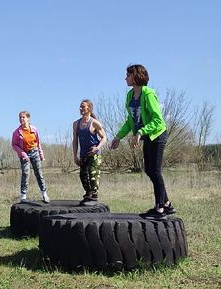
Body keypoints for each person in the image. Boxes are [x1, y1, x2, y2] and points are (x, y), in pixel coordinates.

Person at [110, 64, 176, 220]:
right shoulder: (130, 96)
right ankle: (166, 203)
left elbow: (159, 122)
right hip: (147, 136)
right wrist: (118, 136)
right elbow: (130, 121)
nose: (125, 78)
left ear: (136, 77)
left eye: (128, 75)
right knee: (148, 170)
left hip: (157, 135)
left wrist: (140, 132)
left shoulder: (149, 95)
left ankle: (160, 208)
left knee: (155, 170)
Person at [72, 99, 107, 204]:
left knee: (93, 175)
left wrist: (97, 148)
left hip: (94, 154)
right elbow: (75, 140)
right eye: (80, 106)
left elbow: (104, 138)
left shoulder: (94, 123)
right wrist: (75, 156)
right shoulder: (76, 124)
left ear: (89, 108)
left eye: (83, 106)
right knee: (83, 175)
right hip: (83, 154)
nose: (80, 108)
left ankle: (94, 195)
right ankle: (88, 193)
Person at [11, 111, 50, 203]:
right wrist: (22, 153)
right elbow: (14, 145)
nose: (21, 119)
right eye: (20, 117)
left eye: (23, 117)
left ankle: (44, 193)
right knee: (25, 173)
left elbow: (38, 142)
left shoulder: (34, 129)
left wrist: (41, 154)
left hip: (34, 151)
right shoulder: (17, 132)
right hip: (24, 153)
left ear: (28, 118)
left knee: (39, 173)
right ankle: (23, 196)